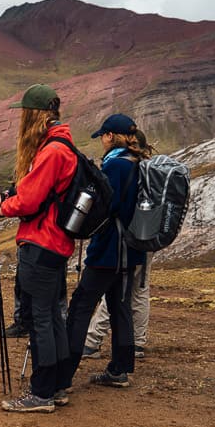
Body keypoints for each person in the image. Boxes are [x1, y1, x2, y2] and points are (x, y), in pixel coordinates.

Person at [0, 84, 76, 413]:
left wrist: (1, 209)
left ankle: (42, 392)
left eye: (24, 113)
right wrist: (4, 198)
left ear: (35, 114)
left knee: (40, 318)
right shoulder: (63, 145)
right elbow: (37, 195)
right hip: (55, 243)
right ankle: (59, 384)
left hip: (41, 243)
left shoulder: (51, 151)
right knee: (52, 316)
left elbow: (31, 201)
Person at [63, 113, 145, 390]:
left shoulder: (115, 166)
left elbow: (105, 206)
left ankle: (63, 373)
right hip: (131, 249)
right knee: (120, 306)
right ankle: (120, 369)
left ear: (110, 136)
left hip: (110, 248)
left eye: (103, 136)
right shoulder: (137, 162)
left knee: (81, 304)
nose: (101, 141)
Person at [82, 128, 155, 360]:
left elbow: (110, 205)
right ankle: (137, 343)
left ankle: (92, 341)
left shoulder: (121, 165)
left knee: (115, 293)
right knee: (138, 289)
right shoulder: (144, 166)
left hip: (126, 238)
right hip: (145, 234)